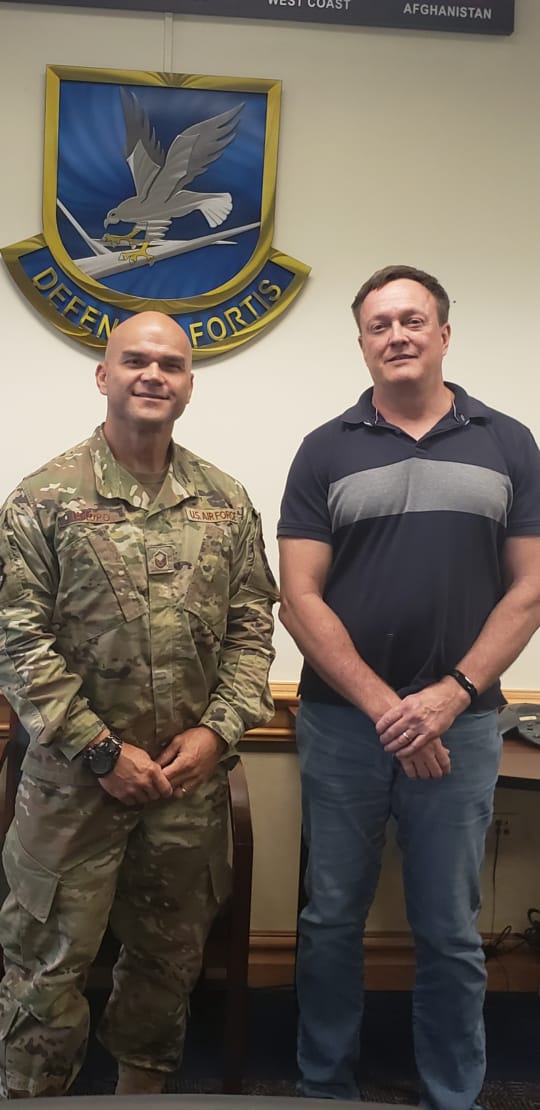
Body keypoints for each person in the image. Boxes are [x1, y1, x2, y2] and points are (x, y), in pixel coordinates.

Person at [277, 265, 540, 1110]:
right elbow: (298, 595)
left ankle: (452, 1095)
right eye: (379, 324)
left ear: (444, 334)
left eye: (413, 320)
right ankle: (324, 1086)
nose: (397, 335)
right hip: (344, 725)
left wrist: (451, 695)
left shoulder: (508, 442)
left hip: (461, 728)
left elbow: (530, 589)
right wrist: (391, 708)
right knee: (328, 923)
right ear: (361, 342)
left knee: (452, 934)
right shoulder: (325, 449)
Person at [0, 311, 278, 1099]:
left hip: (182, 789)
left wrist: (217, 732)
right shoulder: (43, 499)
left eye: (171, 364)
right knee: (45, 979)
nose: (153, 375)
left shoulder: (224, 502)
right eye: (135, 361)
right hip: (70, 792)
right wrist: (99, 751)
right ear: (103, 375)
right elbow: (16, 643)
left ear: (189, 384)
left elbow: (253, 632)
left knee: (165, 972)